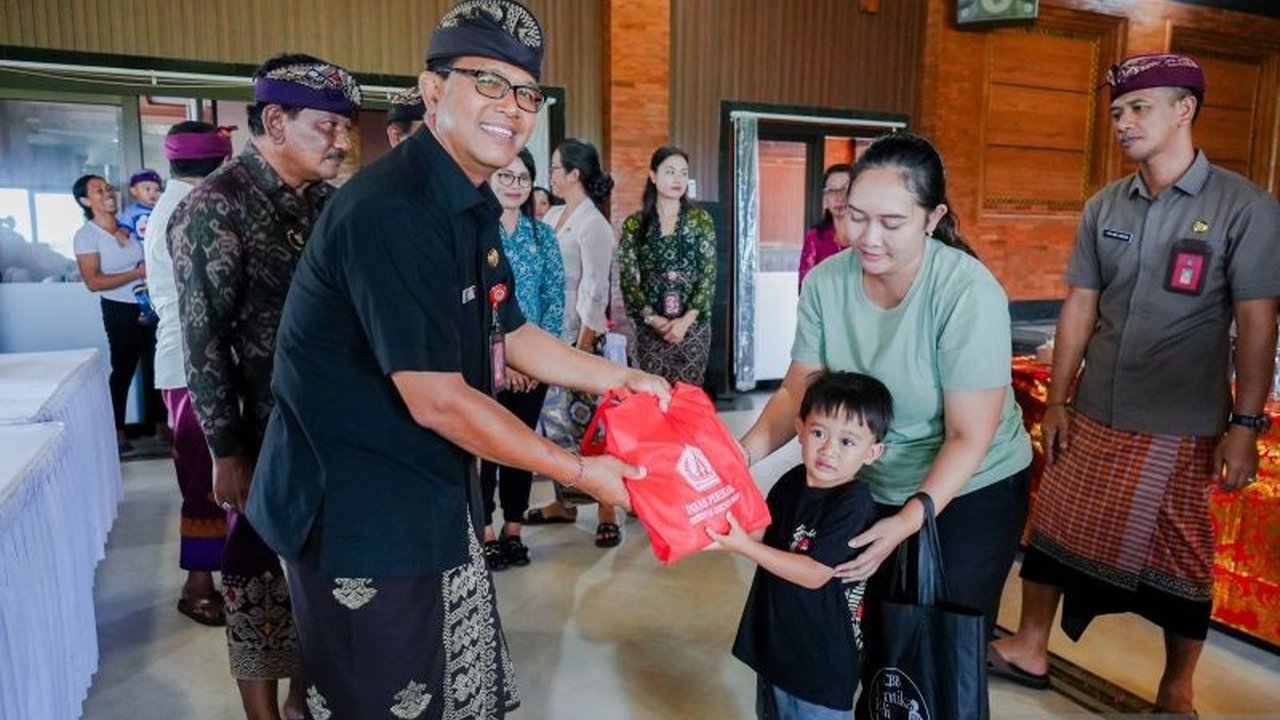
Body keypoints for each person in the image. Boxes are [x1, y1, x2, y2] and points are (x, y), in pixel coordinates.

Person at [243, 2, 669, 717]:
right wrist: (578, 472)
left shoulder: (467, 202)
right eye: (489, 83)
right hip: (359, 516)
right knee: (369, 701)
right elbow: (436, 397)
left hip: (430, 498)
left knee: (450, 693)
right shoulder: (394, 210)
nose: (514, 108)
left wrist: (623, 377)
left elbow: (514, 332)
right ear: (434, 89)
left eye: (527, 93)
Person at [989, 53, 1280, 716]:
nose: (1122, 122)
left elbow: (1257, 325)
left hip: (1180, 422)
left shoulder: (1246, 208)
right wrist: (1058, 399)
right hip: (1093, 410)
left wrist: (1245, 424)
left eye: (1138, 108)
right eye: (1117, 110)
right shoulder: (1104, 204)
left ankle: (1177, 689)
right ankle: (1030, 643)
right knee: (1053, 523)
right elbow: (1081, 306)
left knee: (1180, 558)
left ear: (1185, 110)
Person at [738, 132, 1033, 717]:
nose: (867, 238)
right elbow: (800, 390)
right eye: (855, 217)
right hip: (866, 481)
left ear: (933, 218)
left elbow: (969, 434)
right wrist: (740, 456)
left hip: (970, 489)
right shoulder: (827, 281)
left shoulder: (966, 292)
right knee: (863, 635)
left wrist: (909, 519)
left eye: (892, 222)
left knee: (934, 650)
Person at [169, 52, 361, 720]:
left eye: (347, 128)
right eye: (328, 126)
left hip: (338, 429)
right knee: (254, 574)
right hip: (261, 431)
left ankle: (320, 697)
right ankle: (263, 714)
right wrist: (226, 451)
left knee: (332, 577)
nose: (343, 142)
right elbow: (204, 339)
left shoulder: (333, 206)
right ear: (274, 120)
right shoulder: (215, 206)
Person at [711, 371, 889, 719]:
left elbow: (814, 573)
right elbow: (766, 536)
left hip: (818, 664)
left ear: (873, 452)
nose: (828, 450)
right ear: (800, 429)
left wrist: (743, 547)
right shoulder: (791, 482)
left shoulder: (853, 503)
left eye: (847, 442)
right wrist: (725, 531)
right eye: (819, 432)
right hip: (778, 645)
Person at [144, 121, 235, 627]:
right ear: (220, 166)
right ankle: (198, 581)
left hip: (189, 359)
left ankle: (225, 573)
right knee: (205, 476)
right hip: (193, 362)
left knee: (212, 473)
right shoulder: (191, 207)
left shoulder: (177, 202)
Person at [523, 137, 628, 547]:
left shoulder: (594, 224)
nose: (549, 176)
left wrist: (582, 348)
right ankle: (563, 502)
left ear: (573, 174)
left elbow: (596, 290)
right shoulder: (552, 217)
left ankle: (607, 508)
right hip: (551, 337)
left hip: (584, 342)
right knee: (554, 425)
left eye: (554, 168)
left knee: (591, 425)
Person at [479, 148, 566, 571]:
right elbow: (475, 305)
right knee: (485, 448)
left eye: (521, 178)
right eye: (504, 177)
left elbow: (554, 300)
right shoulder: (476, 232)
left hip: (535, 365)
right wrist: (506, 362)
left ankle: (513, 528)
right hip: (485, 363)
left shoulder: (542, 236)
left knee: (522, 448)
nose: (513, 186)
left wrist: (533, 361)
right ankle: (485, 532)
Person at [71, 173, 161, 457]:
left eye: (108, 187)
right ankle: (116, 431)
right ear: (86, 201)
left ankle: (162, 427)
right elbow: (94, 282)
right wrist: (136, 272)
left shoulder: (126, 226)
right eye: (99, 190)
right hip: (119, 309)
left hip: (148, 304)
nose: (108, 192)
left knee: (156, 367)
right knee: (123, 370)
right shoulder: (86, 235)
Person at [619, 145, 717, 387]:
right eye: (671, 172)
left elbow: (708, 275)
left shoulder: (700, 220)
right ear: (653, 176)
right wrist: (651, 317)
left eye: (684, 173)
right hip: (650, 327)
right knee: (652, 399)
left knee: (687, 401)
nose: (678, 179)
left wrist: (685, 322)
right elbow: (628, 278)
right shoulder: (635, 224)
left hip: (692, 326)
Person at [797, 163, 852, 289]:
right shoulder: (816, 237)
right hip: (825, 307)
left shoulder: (867, 235)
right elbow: (804, 286)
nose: (839, 197)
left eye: (845, 189)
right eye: (831, 191)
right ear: (825, 198)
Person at [118, 168, 162, 244]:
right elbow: (124, 229)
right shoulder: (131, 212)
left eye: (156, 190)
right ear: (134, 191)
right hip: (139, 251)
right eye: (147, 189)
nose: (152, 193)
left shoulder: (160, 210)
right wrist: (122, 234)